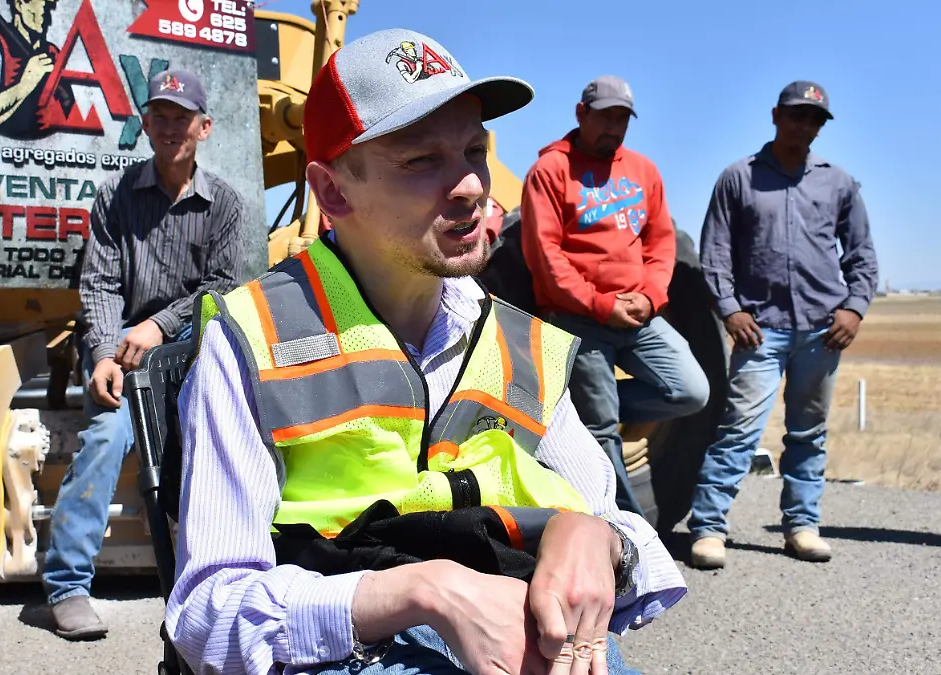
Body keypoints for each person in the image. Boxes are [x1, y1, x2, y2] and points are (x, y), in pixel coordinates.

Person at [166, 29, 686, 675]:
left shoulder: (512, 341)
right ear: (332, 193)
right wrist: (425, 592)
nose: (472, 184)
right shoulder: (252, 337)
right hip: (349, 648)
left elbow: (633, 536)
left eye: (475, 149)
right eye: (420, 160)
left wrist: (599, 539)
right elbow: (206, 614)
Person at [42, 68, 246, 639]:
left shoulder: (224, 205)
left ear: (204, 128)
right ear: (146, 124)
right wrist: (105, 353)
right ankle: (67, 587)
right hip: (118, 348)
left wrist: (159, 327)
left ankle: (208, 578)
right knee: (105, 437)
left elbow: (221, 288)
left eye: (183, 117)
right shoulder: (114, 197)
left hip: (184, 344)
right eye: (161, 115)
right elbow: (100, 284)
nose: (171, 126)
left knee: (207, 441)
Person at [687, 81, 878, 569]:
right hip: (760, 329)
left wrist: (854, 308)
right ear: (776, 115)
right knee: (738, 431)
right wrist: (730, 310)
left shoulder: (838, 183)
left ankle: (802, 525)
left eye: (815, 119)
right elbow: (715, 254)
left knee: (809, 433)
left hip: (822, 329)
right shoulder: (739, 178)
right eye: (797, 116)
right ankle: (709, 530)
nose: (805, 126)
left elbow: (861, 257)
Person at [520, 76, 709, 518]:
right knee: (602, 429)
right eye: (605, 116)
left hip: (638, 314)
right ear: (581, 113)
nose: (614, 126)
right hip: (578, 317)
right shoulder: (550, 172)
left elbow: (661, 244)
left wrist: (650, 297)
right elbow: (546, 257)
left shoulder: (643, 171)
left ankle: (576, 409)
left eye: (622, 118)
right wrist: (601, 304)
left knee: (690, 391)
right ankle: (626, 530)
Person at [0, 0, 63, 139]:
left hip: (52, 156)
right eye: (40, 3)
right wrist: (25, 84)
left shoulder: (52, 53)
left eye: (49, 6)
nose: (46, 14)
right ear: (19, 4)